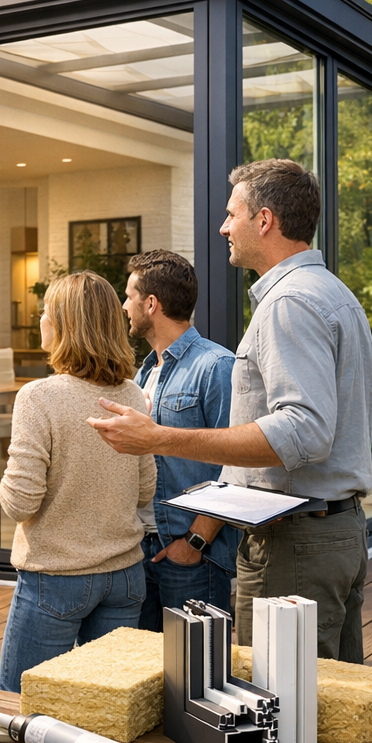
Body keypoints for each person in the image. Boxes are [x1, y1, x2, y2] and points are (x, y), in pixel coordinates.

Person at [89, 160, 372, 661]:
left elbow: (304, 432)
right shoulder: (330, 293)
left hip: (295, 542)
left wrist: (158, 437)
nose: (223, 227)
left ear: (264, 220)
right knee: (328, 703)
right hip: (323, 533)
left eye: (231, 214)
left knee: (284, 709)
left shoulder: (292, 303)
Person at [0, 271, 156, 692]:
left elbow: (19, 504)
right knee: (104, 707)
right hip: (124, 577)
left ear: (66, 324)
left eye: (45, 312)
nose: (40, 320)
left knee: (24, 706)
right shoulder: (131, 394)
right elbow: (145, 491)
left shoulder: (38, 398)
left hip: (56, 577)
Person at [122, 250, 237, 631]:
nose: (125, 307)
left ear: (151, 304)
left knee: (195, 677)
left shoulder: (215, 367)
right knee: (147, 677)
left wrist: (195, 543)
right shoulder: (145, 371)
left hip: (190, 554)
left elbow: (234, 467)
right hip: (143, 551)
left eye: (129, 296)